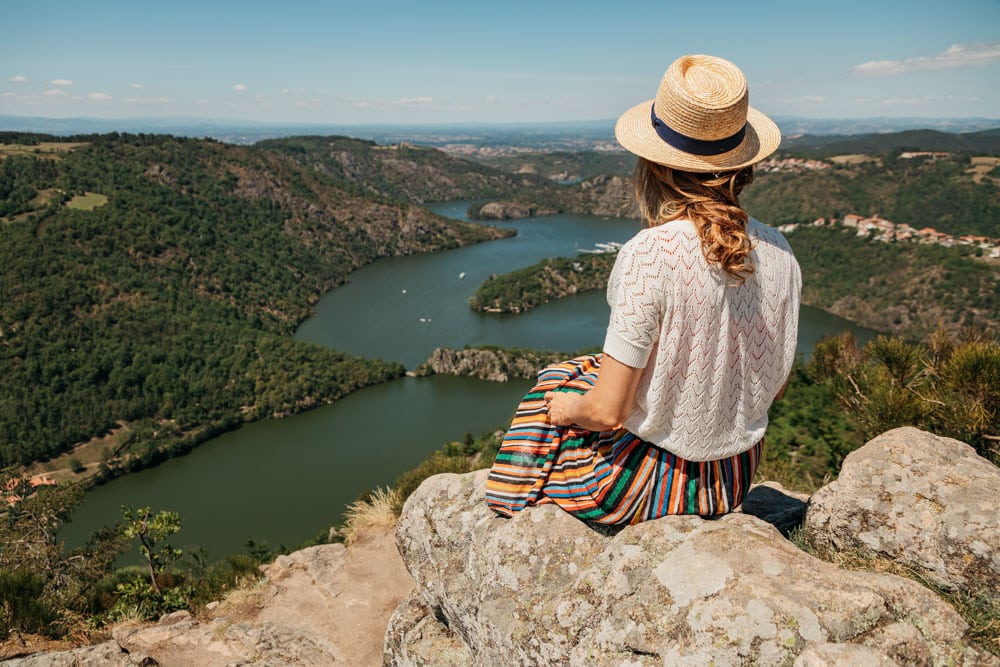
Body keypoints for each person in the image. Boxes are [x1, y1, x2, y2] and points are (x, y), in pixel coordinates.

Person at [485, 54, 801, 525]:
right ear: (742, 166)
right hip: (732, 481)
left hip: (645, 485)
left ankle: (506, 507)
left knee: (555, 384)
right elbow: (770, 392)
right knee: (589, 368)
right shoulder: (780, 251)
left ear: (654, 163)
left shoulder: (650, 255)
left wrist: (569, 409)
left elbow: (609, 414)